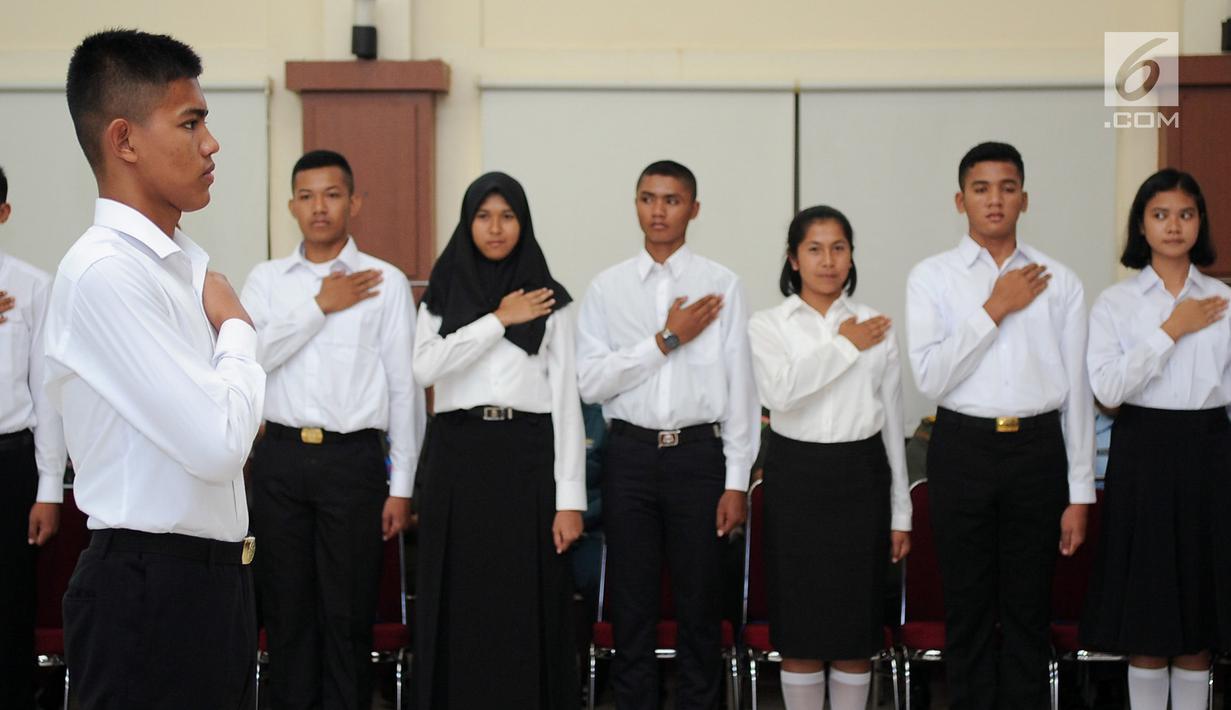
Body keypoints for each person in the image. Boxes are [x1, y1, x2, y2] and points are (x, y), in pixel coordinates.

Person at [46, 29, 265, 709]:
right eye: (190, 122)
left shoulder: (179, 268)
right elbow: (219, 443)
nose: (211, 144)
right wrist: (237, 329)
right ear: (125, 140)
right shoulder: (107, 271)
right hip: (147, 587)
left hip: (209, 583)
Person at [904, 141, 1094, 709]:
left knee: (1028, 613)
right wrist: (995, 307)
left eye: (1007, 188)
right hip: (962, 446)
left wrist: (1080, 491)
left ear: (1025, 199)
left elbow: (1078, 395)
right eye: (981, 189)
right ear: (959, 200)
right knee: (967, 611)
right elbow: (932, 378)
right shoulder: (931, 278)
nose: (994, 200)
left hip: (1037, 451)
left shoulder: (1060, 280)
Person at [240, 149, 424, 710]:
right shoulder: (266, 281)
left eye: (332, 194)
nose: (319, 207)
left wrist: (402, 487)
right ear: (292, 205)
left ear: (354, 202)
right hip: (281, 460)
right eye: (306, 195)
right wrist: (319, 306)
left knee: (347, 615)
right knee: (288, 613)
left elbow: (405, 390)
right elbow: (246, 359)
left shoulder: (386, 282)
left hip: (355, 463)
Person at [576, 159, 760, 709]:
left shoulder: (722, 285)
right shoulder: (607, 289)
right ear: (635, 204)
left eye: (672, 200)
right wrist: (666, 340)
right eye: (648, 198)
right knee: (631, 608)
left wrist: (735, 481)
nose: (658, 210)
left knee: (700, 607)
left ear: (694, 209)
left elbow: (742, 392)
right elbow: (590, 381)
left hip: (699, 456)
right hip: (629, 455)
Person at [411, 171, 584, 709]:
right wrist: (496, 320)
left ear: (523, 222)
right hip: (458, 459)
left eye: (507, 216)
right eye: (483, 216)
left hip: (527, 455)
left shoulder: (551, 301)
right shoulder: (441, 294)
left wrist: (570, 499)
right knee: (459, 598)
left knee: (525, 600)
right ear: (468, 223)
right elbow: (424, 368)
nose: (495, 227)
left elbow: (567, 404)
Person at [748, 205, 912, 710]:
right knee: (800, 632)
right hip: (795, 477)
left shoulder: (875, 324)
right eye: (814, 249)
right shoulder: (768, 324)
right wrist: (844, 346)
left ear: (851, 256)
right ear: (793, 259)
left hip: (860, 478)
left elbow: (892, 420)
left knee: (854, 633)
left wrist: (901, 511)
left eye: (838, 248)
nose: (828, 260)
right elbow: (781, 393)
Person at [1080, 168, 1231, 710]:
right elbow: (1109, 391)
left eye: (1185, 214)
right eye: (1160, 215)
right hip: (1143, 452)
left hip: (1211, 454)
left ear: (1200, 224)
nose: (1174, 226)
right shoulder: (1116, 304)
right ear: (1141, 226)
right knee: (1148, 620)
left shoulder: (1223, 298)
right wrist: (1173, 328)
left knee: (1196, 625)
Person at [0, 164, 67, 708]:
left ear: (3, 215)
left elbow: (47, 392)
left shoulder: (31, 285)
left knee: (10, 604)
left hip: (10, 463)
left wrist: (48, 487)